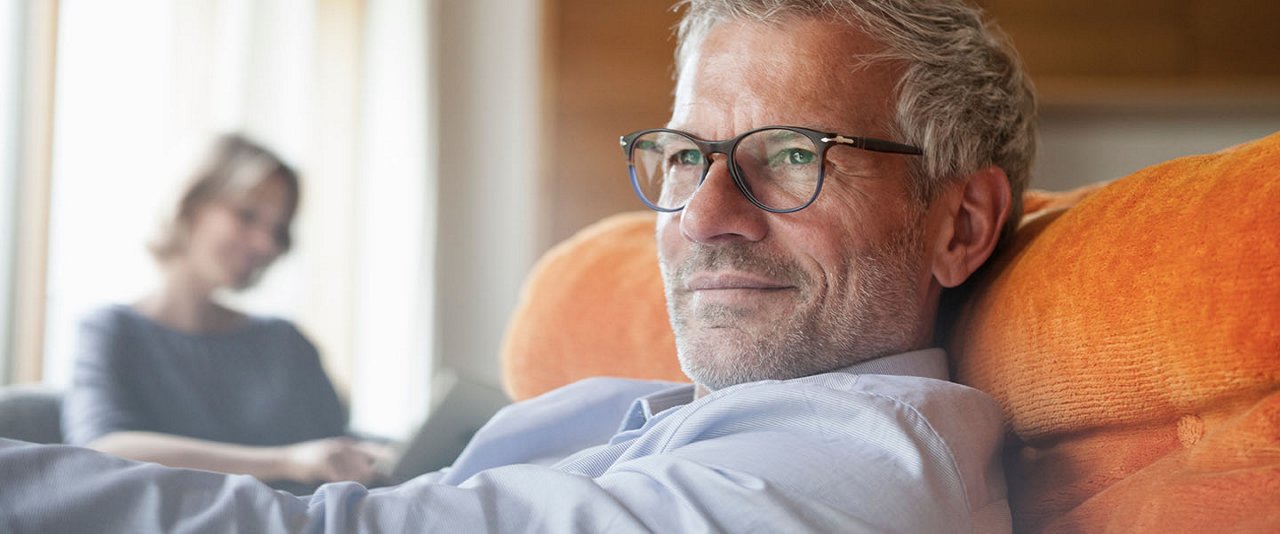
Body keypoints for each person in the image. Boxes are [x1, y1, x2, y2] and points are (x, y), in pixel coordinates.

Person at [0, 0, 1035, 531]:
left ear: (959, 225)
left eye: (794, 156)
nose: (702, 215)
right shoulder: (689, 413)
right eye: (684, 156)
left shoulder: (846, 478)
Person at [58, 134, 389, 491]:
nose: (266, 244)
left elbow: (336, 445)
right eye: (247, 215)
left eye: (277, 230)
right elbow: (103, 449)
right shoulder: (113, 330)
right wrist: (289, 462)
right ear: (191, 204)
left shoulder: (286, 341)